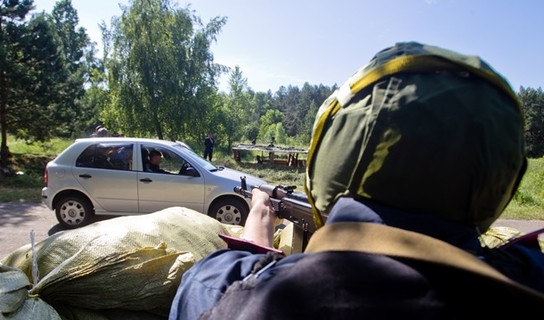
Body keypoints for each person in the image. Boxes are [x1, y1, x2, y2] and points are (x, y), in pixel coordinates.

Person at [169, 41, 544, 319]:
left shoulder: (224, 292)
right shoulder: (526, 279)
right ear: (503, 176)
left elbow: (214, 282)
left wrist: (256, 238)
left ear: (332, 149)